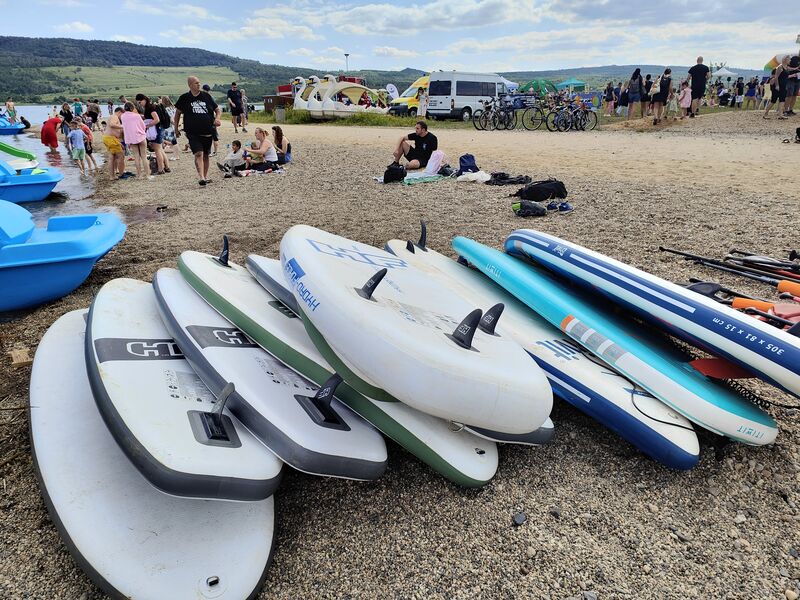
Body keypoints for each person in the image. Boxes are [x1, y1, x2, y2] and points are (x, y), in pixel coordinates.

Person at [174, 76, 221, 186]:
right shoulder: (184, 98)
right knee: (198, 153)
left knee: (206, 155)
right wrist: (176, 129)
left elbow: (217, 110)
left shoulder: (206, 96)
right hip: (192, 132)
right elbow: (177, 114)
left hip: (208, 131)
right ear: (190, 85)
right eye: (196, 83)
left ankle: (205, 176)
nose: (199, 85)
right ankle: (201, 177)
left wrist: (217, 118)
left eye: (199, 83)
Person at [135, 93, 168, 175]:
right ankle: (166, 167)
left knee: (157, 150)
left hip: (156, 130)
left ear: (144, 99)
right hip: (159, 129)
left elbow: (156, 119)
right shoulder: (150, 107)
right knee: (160, 149)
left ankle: (160, 169)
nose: (139, 104)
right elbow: (150, 117)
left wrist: (147, 126)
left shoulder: (150, 108)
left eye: (140, 102)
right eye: (138, 103)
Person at [120, 101, 149, 179]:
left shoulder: (122, 116)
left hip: (131, 138)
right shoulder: (137, 116)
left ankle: (139, 175)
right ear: (132, 108)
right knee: (144, 156)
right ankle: (147, 175)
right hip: (140, 136)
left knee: (136, 157)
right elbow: (143, 126)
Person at [102, 111, 125, 179]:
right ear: (120, 112)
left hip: (109, 138)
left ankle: (112, 176)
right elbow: (112, 124)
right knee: (120, 156)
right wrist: (123, 126)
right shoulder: (114, 116)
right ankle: (121, 174)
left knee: (112, 157)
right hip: (111, 138)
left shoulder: (113, 117)